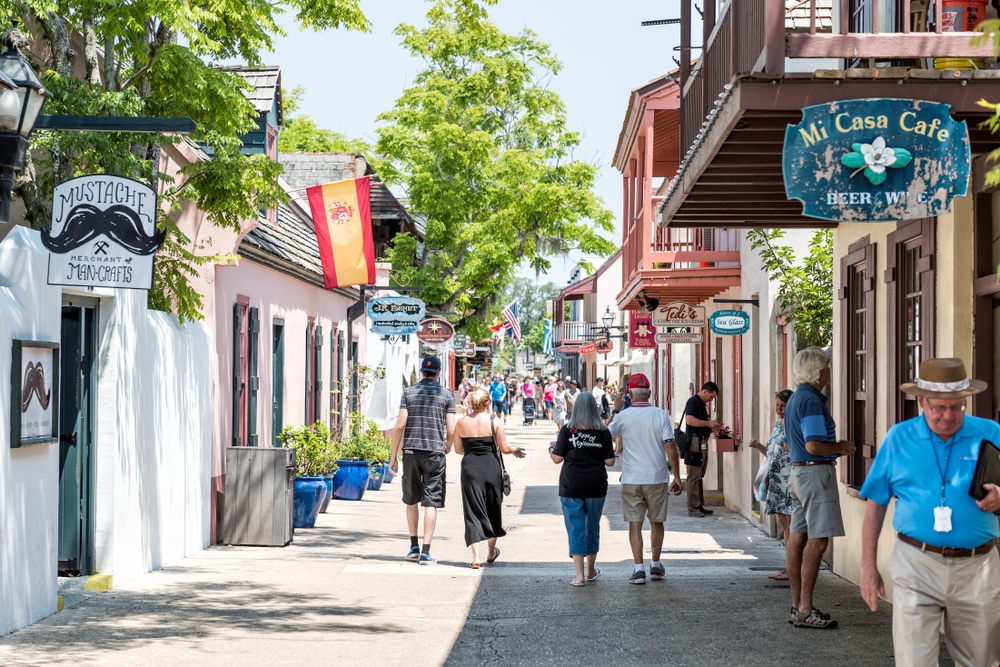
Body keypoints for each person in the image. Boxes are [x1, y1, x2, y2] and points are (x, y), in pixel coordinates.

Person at [859, 358, 1000, 665]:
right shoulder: (899, 438)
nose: (948, 416)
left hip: (978, 567)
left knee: (982, 662)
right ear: (921, 401)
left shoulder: (990, 432)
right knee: (914, 662)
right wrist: (868, 568)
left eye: (956, 407)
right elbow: (876, 504)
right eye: (938, 407)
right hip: (916, 563)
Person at [783, 346, 854, 629]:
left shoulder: (795, 398)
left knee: (797, 537)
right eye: (826, 366)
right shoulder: (811, 401)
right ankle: (805, 607)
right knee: (818, 540)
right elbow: (814, 444)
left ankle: (797, 605)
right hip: (815, 474)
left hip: (798, 474)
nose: (828, 370)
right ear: (818, 371)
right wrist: (841, 447)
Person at [608, 373, 683, 584]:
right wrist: (676, 476)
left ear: (630, 393)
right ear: (649, 392)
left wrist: (616, 409)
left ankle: (638, 568)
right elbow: (670, 445)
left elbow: (606, 434)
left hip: (632, 478)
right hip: (656, 477)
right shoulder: (660, 415)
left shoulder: (623, 416)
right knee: (657, 521)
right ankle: (656, 564)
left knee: (635, 523)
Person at [389, 355, 457, 565]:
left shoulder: (409, 392)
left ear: (421, 372)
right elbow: (452, 428)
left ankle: (413, 546)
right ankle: (426, 551)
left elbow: (400, 425)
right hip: (435, 452)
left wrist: (393, 457)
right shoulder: (446, 395)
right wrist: (449, 444)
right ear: (438, 373)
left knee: (411, 500)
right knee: (431, 501)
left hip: (410, 451)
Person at [454, 388, 526, 568]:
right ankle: (491, 552)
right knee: (493, 507)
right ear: (487, 403)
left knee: (472, 510)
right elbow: (504, 448)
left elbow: (458, 450)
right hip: (491, 468)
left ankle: (475, 557)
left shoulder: (462, 422)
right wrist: (515, 450)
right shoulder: (495, 421)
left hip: (470, 468)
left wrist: (472, 451)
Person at [550, 392, 616, 586]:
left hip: (571, 483)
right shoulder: (603, 432)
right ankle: (591, 570)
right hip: (596, 483)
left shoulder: (567, 431)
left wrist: (550, 450)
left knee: (575, 527)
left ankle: (579, 575)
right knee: (592, 526)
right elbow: (610, 461)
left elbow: (557, 459)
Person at [748, 389, 795, 580]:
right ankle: (789, 567)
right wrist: (758, 445)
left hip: (788, 480)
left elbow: (794, 451)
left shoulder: (793, 425)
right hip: (776, 481)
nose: (779, 409)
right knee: (785, 527)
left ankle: (792, 569)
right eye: (777, 405)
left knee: (792, 527)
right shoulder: (778, 425)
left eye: (783, 405)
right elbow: (771, 452)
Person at [683, 381, 720, 518]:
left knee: (699, 475)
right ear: (705, 391)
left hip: (701, 441)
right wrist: (708, 423)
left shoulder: (700, 403)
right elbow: (690, 420)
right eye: (710, 397)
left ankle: (699, 504)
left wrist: (711, 427)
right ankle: (693, 507)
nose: (710, 400)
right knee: (693, 476)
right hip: (694, 442)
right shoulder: (693, 402)